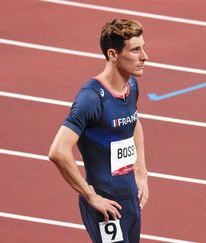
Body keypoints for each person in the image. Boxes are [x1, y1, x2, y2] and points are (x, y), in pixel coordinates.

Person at [48, 19, 149, 243]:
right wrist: (91, 197)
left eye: (143, 47)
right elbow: (58, 151)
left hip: (130, 201)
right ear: (113, 54)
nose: (145, 56)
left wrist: (141, 172)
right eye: (135, 50)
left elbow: (134, 123)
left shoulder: (130, 86)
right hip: (106, 210)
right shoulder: (91, 98)